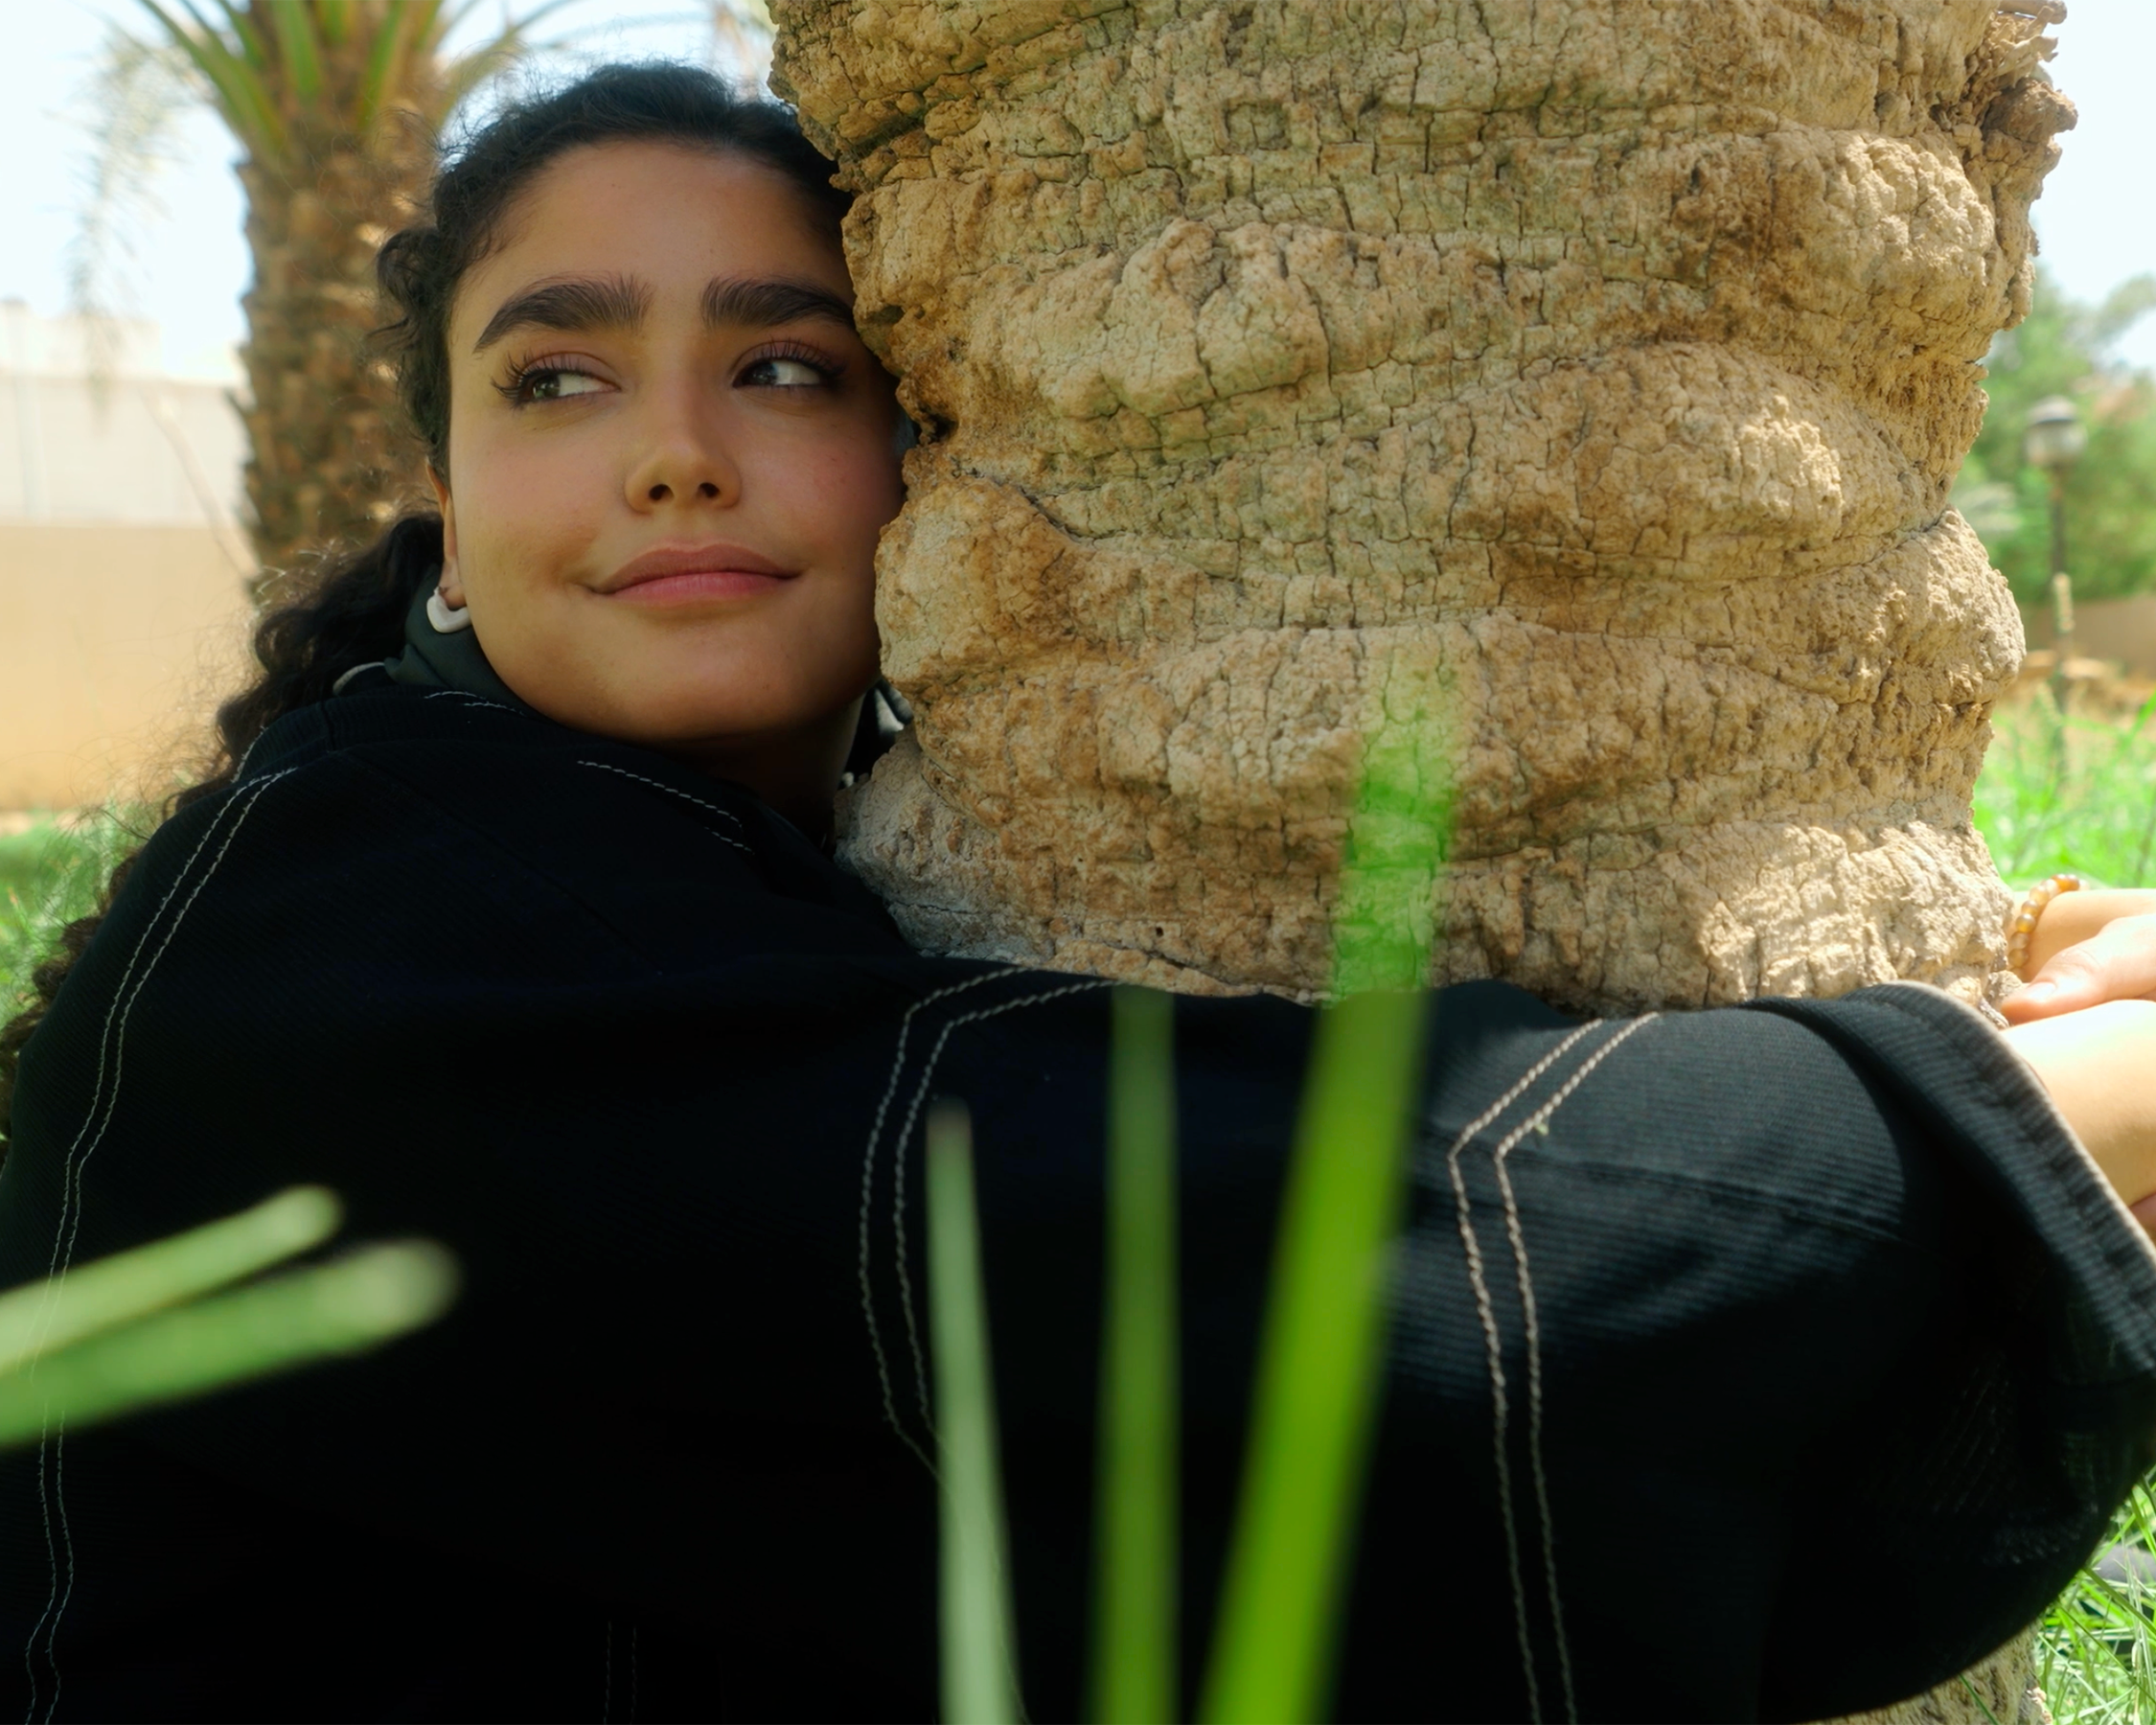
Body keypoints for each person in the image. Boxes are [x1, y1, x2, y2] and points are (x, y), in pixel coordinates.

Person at [0, 61, 2154, 1725]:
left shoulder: (753, 882)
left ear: (948, 463)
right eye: (555, 377)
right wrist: (2062, 1109)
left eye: (786, 366)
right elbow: (1182, 1253)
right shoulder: (340, 915)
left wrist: (1954, 930)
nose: (674, 451)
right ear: (448, 516)